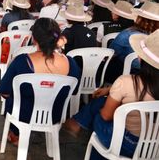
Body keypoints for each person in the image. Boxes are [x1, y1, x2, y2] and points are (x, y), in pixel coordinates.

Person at [64, 29, 159, 160]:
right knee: (102, 102)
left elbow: (106, 116)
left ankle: (79, 126)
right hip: (155, 146)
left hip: (126, 143)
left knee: (98, 111)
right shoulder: (131, 84)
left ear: (141, 58)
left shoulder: (127, 82)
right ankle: (77, 122)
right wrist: (110, 91)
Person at [0, 18, 81, 144]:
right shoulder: (71, 63)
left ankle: (16, 134)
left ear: (34, 38)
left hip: (24, 115)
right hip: (54, 115)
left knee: (12, 99)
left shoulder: (22, 61)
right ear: (57, 38)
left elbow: (3, 90)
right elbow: (74, 91)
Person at [106, 1, 159, 82]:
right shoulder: (156, 39)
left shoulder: (127, 34)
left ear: (140, 18)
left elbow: (111, 53)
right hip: (153, 79)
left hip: (127, 75)